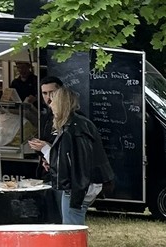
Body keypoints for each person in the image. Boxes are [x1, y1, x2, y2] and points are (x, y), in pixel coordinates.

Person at [38, 79, 113, 225]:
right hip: (82, 184)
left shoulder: (73, 128)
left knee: (71, 227)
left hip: (77, 186)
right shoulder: (76, 124)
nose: (50, 105)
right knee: (71, 224)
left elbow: (78, 164)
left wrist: (46, 151)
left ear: (61, 104)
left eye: (54, 102)